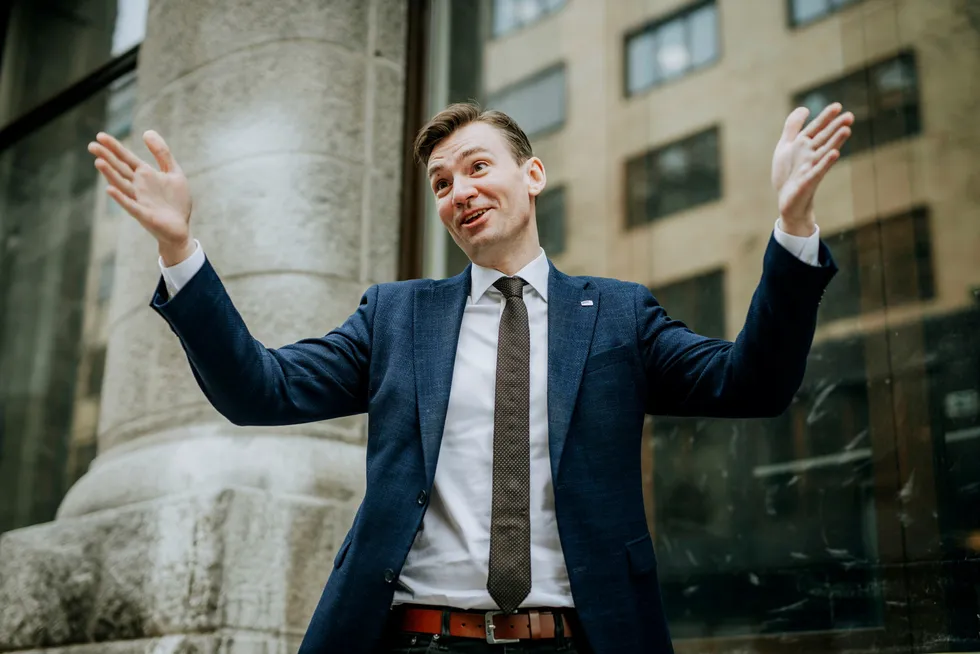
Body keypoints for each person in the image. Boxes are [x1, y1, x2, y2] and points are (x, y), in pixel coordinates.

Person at [87, 100, 851, 653]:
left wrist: (793, 228)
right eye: (443, 184)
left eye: (478, 167)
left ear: (533, 174)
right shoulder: (396, 317)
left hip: (577, 637)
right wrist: (180, 248)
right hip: (418, 638)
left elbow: (752, 385)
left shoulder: (619, 316)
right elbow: (262, 391)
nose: (460, 192)